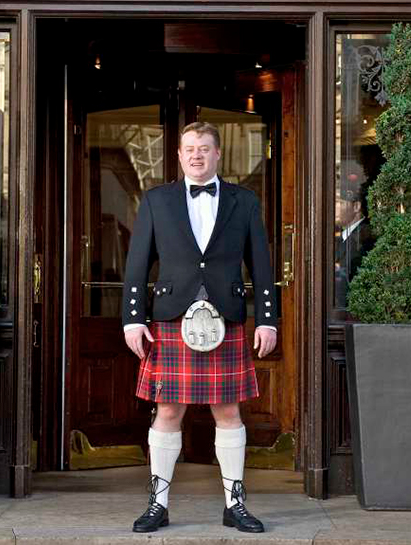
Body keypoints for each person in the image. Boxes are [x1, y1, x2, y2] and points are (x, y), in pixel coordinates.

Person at [121, 121, 278, 534]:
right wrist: (133, 318)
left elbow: (261, 264)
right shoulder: (157, 200)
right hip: (172, 317)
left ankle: (235, 504)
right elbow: (137, 264)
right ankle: (158, 504)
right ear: (178, 154)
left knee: (228, 410)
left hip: (226, 318)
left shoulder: (243, 201)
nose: (196, 155)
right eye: (189, 148)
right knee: (168, 410)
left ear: (218, 153)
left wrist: (267, 319)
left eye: (204, 148)